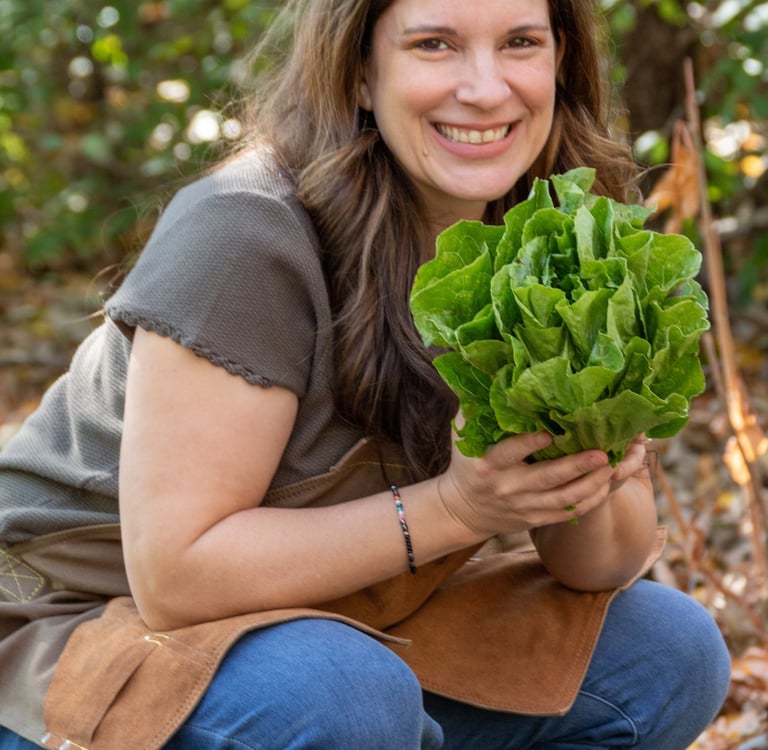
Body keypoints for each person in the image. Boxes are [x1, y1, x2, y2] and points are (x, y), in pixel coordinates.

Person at [0, 0, 731, 748]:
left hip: (341, 617)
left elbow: (599, 565)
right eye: (434, 44)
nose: (485, 88)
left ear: (561, 59)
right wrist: (459, 509)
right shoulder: (243, 232)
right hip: (74, 623)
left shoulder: (562, 227)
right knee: (342, 693)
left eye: (520, 43)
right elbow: (175, 580)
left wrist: (584, 463)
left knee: (664, 650)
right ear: (357, 73)